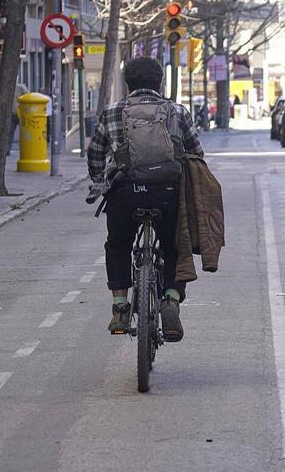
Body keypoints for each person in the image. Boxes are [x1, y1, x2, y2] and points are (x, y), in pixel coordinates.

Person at [87, 57, 203, 339]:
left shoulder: (112, 111)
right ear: (159, 83)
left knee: (118, 245)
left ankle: (120, 308)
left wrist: (100, 182)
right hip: (167, 193)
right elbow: (196, 153)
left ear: (128, 83)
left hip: (125, 193)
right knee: (174, 247)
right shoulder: (177, 111)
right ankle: (171, 299)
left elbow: (95, 154)